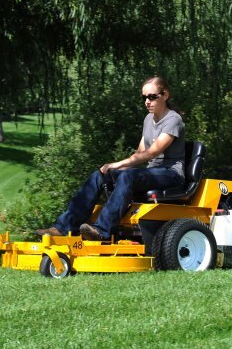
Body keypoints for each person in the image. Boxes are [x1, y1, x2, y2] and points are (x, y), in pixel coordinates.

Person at [36, 76, 186, 240]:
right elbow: (139, 153)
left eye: (152, 97)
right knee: (99, 175)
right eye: (144, 97)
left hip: (171, 174)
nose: (147, 102)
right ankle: (64, 227)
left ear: (165, 95)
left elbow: (152, 153)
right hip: (152, 173)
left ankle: (101, 231)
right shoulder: (148, 119)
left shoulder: (173, 119)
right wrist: (115, 170)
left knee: (128, 175)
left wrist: (117, 164)